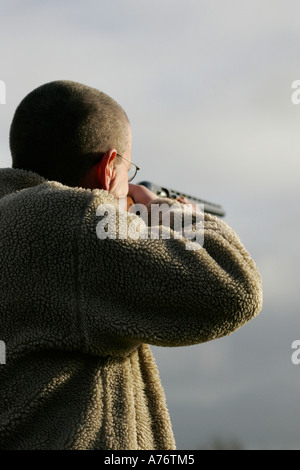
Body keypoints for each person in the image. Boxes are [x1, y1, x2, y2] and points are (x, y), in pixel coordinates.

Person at [0, 80, 263, 450]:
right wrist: (173, 215)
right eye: (129, 171)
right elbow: (234, 287)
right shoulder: (73, 223)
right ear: (109, 168)